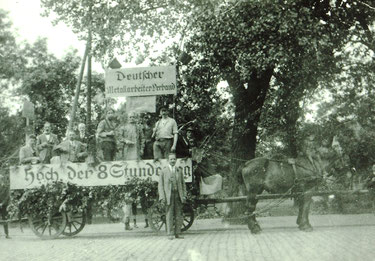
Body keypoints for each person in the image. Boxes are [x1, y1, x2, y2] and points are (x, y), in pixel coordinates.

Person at [118, 112, 145, 229]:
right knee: (128, 193)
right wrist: (125, 141)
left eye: (133, 117)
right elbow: (119, 138)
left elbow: (143, 139)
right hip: (127, 155)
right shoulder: (123, 127)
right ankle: (126, 221)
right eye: (130, 117)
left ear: (136, 118)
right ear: (127, 118)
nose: (131, 118)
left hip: (137, 156)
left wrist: (142, 149)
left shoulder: (138, 128)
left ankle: (132, 221)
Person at [158, 153, 187, 240]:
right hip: (168, 195)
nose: (173, 161)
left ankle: (178, 233)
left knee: (179, 214)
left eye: (174, 159)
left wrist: (184, 195)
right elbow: (160, 185)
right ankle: (170, 233)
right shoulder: (164, 171)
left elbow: (183, 184)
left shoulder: (179, 170)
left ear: (176, 160)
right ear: (168, 160)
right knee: (169, 214)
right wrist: (162, 197)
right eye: (171, 159)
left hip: (178, 195)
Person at [0, 172, 10, 239]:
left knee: (5, 219)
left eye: (0, 179)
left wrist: (2, 203)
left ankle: (7, 234)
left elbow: (7, 196)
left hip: (4, 205)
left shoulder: (6, 187)